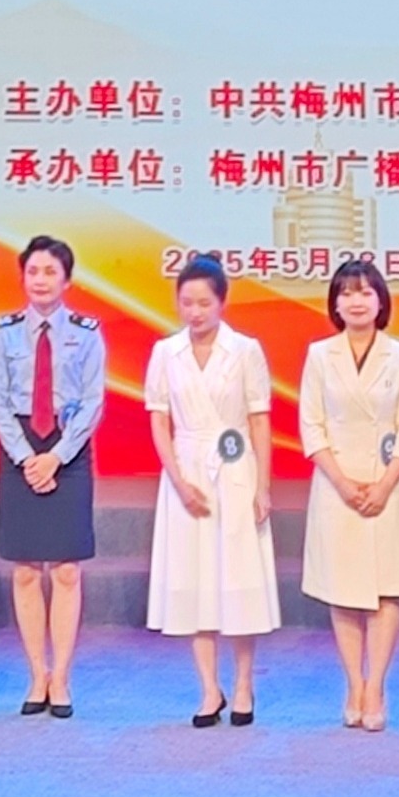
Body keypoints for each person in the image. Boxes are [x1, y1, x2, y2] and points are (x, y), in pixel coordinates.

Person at [146, 253, 280, 726]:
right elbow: (159, 420)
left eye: (204, 303)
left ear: (222, 302)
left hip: (236, 468)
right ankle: (209, 689)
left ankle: (243, 685)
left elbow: (259, 419)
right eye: (187, 303)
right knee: (195, 580)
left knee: (238, 581)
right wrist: (178, 481)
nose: (195, 312)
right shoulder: (166, 352)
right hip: (185, 472)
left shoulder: (245, 350)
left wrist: (262, 486)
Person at [296, 256, 399, 732]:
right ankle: (353, 682)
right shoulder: (319, 355)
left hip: (387, 487)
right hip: (336, 487)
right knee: (343, 590)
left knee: (386, 588)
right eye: (347, 293)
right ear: (335, 303)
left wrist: (384, 485)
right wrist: (344, 484)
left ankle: (376, 687)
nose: (356, 301)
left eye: (366, 292)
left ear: (381, 301)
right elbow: (311, 426)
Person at [0, 235, 106, 717]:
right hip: (19, 449)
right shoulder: (4, 332)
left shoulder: (87, 333)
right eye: (33, 271)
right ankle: (37, 675)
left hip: (68, 450)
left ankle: (63, 678)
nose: (40, 280)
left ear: (67, 280)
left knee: (68, 570)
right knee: (26, 570)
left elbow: (92, 403)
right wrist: (26, 458)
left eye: (50, 272)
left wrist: (56, 456)